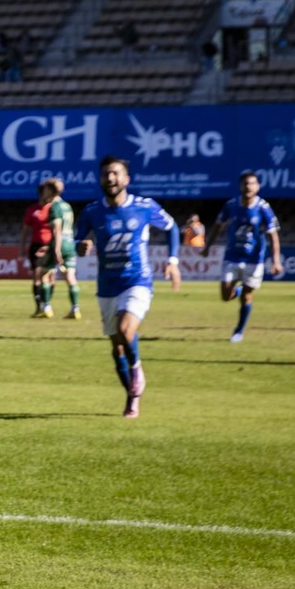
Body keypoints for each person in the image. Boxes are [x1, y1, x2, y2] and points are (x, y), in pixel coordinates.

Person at [73, 156, 182, 418]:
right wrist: (81, 246)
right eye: (105, 174)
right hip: (107, 285)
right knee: (116, 346)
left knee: (125, 329)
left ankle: (137, 367)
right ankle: (132, 398)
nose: (110, 178)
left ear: (126, 179)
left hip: (137, 281)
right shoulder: (91, 211)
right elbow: (78, 241)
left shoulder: (145, 207)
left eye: (115, 174)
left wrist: (173, 261)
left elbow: (172, 227)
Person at [203, 171, 282, 343]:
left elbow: (273, 235)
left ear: (258, 186)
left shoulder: (263, 208)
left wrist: (276, 260)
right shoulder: (231, 205)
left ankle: (238, 331)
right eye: (245, 183)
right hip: (232, 257)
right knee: (225, 296)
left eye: (252, 183)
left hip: (254, 259)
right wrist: (207, 246)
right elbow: (218, 226)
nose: (248, 186)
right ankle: (236, 290)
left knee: (247, 296)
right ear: (240, 186)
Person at [40, 178, 81, 319]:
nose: (43, 193)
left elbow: (57, 230)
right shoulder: (67, 206)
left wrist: (56, 249)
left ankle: (46, 307)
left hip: (60, 243)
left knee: (44, 275)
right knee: (70, 276)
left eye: (45, 190)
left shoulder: (54, 207)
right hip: (70, 243)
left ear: (51, 191)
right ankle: (75, 309)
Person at [20, 185, 55, 317]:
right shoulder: (32, 210)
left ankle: (47, 304)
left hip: (50, 246)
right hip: (35, 247)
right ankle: (39, 307)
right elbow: (25, 231)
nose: (50, 195)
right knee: (36, 276)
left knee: (51, 277)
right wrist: (21, 248)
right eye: (47, 192)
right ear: (41, 194)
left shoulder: (53, 209)